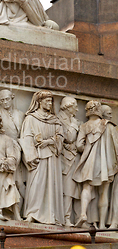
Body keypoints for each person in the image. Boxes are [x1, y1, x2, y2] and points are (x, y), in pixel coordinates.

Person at [19, 90, 65, 225]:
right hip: (37, 157)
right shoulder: (31, 118)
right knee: (36, 184)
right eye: (47, 100)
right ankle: (32, 213)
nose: (50, 103)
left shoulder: (55, 120)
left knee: (52, 184)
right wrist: (31, 156)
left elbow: (60, 136)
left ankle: (52, 215)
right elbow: (26, 137)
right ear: (39, 102)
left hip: (52, 157)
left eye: (51, 101)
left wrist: (49, 141)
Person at [73, 100, 118, 229]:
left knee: (87, 187)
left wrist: (87, 148)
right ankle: (102, 224)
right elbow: (116, 146)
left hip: (89, 162)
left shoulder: (84, 126)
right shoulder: (109, 125)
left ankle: (83, 214)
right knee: (104, 192)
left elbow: (78, 146)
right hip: (106, 165)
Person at [57, 96, 81, 226]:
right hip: (62, 160)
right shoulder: (59, 119)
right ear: (67, 106)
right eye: (75, 106)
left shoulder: (73, 120)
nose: (77, 109)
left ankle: (69, 217)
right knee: (64, 190)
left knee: (71, 191)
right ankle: (63, 218)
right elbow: (69, 137)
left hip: (72, 160)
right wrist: (74, 125)